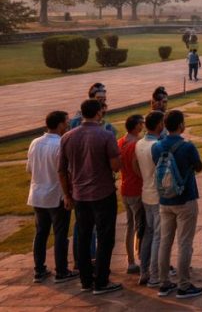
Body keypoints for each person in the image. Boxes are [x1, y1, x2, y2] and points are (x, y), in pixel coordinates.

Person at [58, 98, 122, 295]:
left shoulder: (68, 137)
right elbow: (115, 166)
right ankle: (101, 280)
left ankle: (86, 280)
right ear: (98, 113)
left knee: (84, 237)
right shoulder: (105, 135)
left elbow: (61, 170)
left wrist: (67, 195)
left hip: (79, 195)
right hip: (103, 193)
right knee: (105, 237)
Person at [151, 109, 202, 299]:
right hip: (185, 197)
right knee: (184, 243)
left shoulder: (156, 147)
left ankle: (164, 282)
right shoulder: (187, 146)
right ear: (181, 125)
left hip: (165, 198)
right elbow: (199, 166)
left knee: (165, 242)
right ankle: (183, 285)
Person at [28, 110, 77, 284]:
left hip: (38, 195)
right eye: (67, 121)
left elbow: (29, 169)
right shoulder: (60, 144)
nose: (68, 124)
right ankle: (61, 270)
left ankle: (39, 269)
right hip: (56, 195)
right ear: (60, 124)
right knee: (60, 234)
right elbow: (63, 173)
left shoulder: (35, 142)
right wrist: (67, 195)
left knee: (41, 233)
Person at [134, 111, 165, 287]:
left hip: (146, 192)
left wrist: (146, 178)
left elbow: (134, 165)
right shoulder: (157, 146)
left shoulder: (139, 143)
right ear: (159, 124)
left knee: (149, 233)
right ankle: (154, 276)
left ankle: (144, 271)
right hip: (157, 194)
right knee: (158, 236)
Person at [118, 115, 146, 275]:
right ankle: (143, 258)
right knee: (141, 226)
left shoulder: (120, 142)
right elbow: (137, 167)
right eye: (141, 124)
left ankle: (131, 261)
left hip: (125, 187)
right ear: (136, 126)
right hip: (137, 188)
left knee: (130, 226)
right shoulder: (136, 144)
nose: (143, 126)